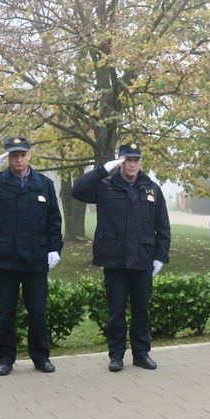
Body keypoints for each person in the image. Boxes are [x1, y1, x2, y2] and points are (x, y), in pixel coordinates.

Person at [0, 136, 63, 376]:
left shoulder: (44, 184)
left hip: (35, 257)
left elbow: (53, 220)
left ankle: (41, 357)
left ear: (29, 155)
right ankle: (5, 358)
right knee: (6, 311)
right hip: (5, 258)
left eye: (22, 155)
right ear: (7, 158)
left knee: (37, 311)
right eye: (13, 155)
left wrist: (54, 248)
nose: (19, 159)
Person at [71, 142, 171, 372]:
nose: (132, 164)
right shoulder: (105, 185)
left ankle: (141, 354)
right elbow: (77, 191)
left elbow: (163, 226)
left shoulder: (152, 189)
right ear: (120, 162)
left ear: (141, 162)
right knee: (116, 311)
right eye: (127, 160)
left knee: (141, 309)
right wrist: (103, 169)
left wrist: (160, 256)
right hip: (115, 258)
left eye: (136, 160)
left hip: (142, 258)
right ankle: (116, 356)